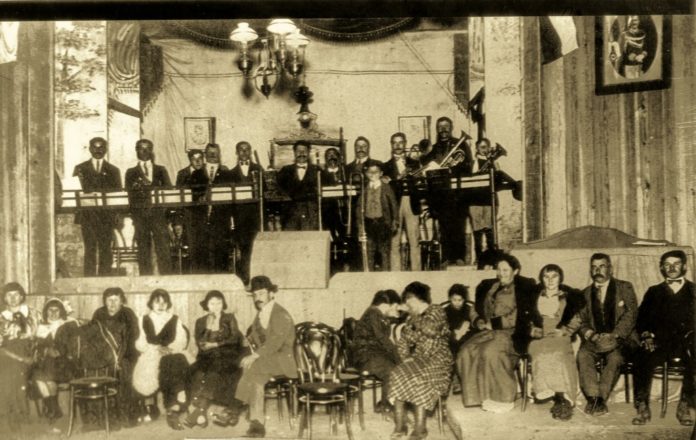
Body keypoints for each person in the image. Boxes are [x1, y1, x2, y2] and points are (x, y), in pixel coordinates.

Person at [456, 253, 537, 413]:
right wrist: (478, 320)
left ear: (515, 271)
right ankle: (479, 397)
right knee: (465, 352)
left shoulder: (523, 288)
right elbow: (474, 308)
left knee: (490, 352)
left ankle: (503, 399)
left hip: (511, 333)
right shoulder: (490, 286)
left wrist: (494, 323)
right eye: (499, 270)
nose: (501, 273)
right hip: (488, 332)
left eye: (505, 270)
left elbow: (520, 315)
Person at [632, 250, 695, 426]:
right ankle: (642, 406)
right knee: (641, 354)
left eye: (676, 264)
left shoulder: (694, 290)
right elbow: (641, 319)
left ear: (684, 266)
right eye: (667, 265)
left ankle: (684, 405)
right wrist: (646, 335)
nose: (672, 268)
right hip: (658, 343)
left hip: (687, 342)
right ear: (661, 268)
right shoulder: (653, 292)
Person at [576, 253, 638, 416]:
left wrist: (615, 335)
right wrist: (591, 335)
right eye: (594, 267)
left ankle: (600, 399)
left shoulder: (625, 287)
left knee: (615, 357)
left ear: (610, 269)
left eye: (602, 266)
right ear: (590, 270)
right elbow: (581, 321)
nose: (598, 270)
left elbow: (631, 314)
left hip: (621, 339)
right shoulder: (584, 294)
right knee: (583, 354)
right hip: (595, 340)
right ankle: (593, 398)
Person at [389, 282, 452, 440]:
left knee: (420, 378)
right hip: (419, 359)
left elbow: (431, 330)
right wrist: (405, 358)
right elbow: (403, 342)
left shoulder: (436, 311)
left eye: (408, 300)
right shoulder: (412, 318)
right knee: (397, 373)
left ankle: (420, 428)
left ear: (416, 299)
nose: (406, 304)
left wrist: (414, 317)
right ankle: (400, 424)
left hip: (439, 359)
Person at [235, 276, 296, 438]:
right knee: (249, 368)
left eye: (261, 293)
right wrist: (246, 341)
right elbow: (256, 335)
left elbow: (275, 342)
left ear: (271, 293)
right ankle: (253, 419)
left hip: (283, 360)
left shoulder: (280, 313)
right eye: (255, 295)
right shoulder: (261, 313)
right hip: (267, 360)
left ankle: (239, 410)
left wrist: (254, 355)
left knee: (253, 367)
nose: (258, 298)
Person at [524, 264, 585, 421]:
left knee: (559, 354)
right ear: (541, 279)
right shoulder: (533, 296)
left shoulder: (569, 296)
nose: (550, 280)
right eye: (546, 277)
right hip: (540, 335)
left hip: (559, 333)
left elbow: (577, 318)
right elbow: (524, 319)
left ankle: (562, 396)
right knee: (540, 353)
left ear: (560, 278)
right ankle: (554, 395)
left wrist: (565, 330)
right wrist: (533, 330)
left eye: (554, 276)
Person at [186, 290, 246, 428]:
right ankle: (200, 412)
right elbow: (201, 344)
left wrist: (215, 344)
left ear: (223, 304)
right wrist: (209, 327)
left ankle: (200, 411)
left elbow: (234, 338)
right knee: (193, 370)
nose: (216, 306)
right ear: (207, 306)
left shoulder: (229, 318)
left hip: (227, 355)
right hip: (207, 356)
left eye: (219, 303)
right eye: (212, 303)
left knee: (215, 369)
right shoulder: (200, 321)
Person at [133, 289, 192, 430]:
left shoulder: (174, 319)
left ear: (168, 304)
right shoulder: (143, 319)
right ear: (151, 303)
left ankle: (172, 407)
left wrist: (169, 348)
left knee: (174, 360)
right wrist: (156, 348)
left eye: (164, 302)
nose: (160, 305)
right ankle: (176, 400)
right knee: (168, 364)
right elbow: (139, 343)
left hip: (171, 353)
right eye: (157, 302)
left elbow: (182, 340)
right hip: (150, 355)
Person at [421, 117, 473, 267]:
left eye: (446, 126)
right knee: (443, 226)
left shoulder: (460, 144)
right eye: (440, 127)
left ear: (451, 128)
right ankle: (446, 257)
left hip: (457, 192)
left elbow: (468, 165)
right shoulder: (434, 148)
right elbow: (427, 168)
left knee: (459, 225)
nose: (443, 129)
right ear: (437, 129)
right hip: (440, 193)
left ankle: (459, 257)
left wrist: (452, 168)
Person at [73, 137, 122, 276]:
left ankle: (104, 279)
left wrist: (117, 215)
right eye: (95, 147)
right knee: (89, 248)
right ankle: (89, 279)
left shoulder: (113, 170)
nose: (98, 150)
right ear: (90, 149)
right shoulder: (80, 168)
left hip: (106, 217)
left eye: (101, 147)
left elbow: (117, 195)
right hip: (87, 216)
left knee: (106, 248)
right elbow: (75, 191)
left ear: (105, 149)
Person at [91, 287, 141, 426]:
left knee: (124, 372)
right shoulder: (99, 313)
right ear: (104, 301)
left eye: (116, 300)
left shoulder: (128, 314)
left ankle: (125, 415)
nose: (112, 304)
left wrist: (118, 357)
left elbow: (133, 337)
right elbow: (93, 337)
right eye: (109, 300)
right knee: (98, 371)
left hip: (126, 354)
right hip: (103, 355)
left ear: (122, 301)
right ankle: (105, 416)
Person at [124, 139, 173, 275]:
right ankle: (145, 279)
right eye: (141, 148)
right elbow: (129, 197)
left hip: (158, 215)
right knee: (143, 250)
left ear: (152, 151)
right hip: (140, 216)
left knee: (163, 249)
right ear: (136, 150)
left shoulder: (161, 170)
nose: (145, 151)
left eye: (148, 148)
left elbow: (168, 192)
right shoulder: (130, 172)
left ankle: (167, 278)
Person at [352, 290, 402, 413]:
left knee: (398, 368)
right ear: (386, 305)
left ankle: (385, 403)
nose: (397, 310)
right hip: (365, 356)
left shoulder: (378, 315)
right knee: (392, 371)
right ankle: (386, 406)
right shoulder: (373, 313)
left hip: (372, 354)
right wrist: (398, 357)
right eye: (395, 306)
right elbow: (382, 339)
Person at [31, 298, 80, 423]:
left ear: (61, 311)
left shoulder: (69, 325)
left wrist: (61, 352)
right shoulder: (41, 327)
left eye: (56, 310)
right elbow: (36, 347)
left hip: (65, 364)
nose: (53, 313)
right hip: (46, 364)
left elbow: (75, 345)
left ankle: (52, 409)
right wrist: (46, 350)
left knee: (46, 375)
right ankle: (54, 408)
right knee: (40, 378)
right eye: (50, 310)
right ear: (45, 312)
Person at [0, 282, 40, 432]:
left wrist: (32, 356)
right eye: (9, 295)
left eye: (16, 295)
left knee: (9, 373)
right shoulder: (1, 318)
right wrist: (21, 359)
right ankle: (16, 417)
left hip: (30, 354)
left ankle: (13, 417)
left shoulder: (33, 314)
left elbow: (41, 338)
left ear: (22, 296)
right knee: (9, 372)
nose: (12, 298)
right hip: (9, 355)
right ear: (4, 298)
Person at [382, 132, 421, 271]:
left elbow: (420, 183)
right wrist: (397, 177)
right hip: (394, 204)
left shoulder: (415, 163)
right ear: (391, 145)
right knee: (394, 242)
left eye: (401, 142)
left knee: (414, 241)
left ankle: (417, 273)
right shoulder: (385, 166)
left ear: (405, 144)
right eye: (395, 143)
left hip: (412, 202)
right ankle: (396, 274)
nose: (398, 145)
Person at [228, 141, 264, 284]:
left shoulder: (259, 169)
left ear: (250, 151)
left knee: (257, 246)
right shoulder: (230, 173)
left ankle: (257, 279)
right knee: (243, 247)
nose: (244, 152)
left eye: (247, 149)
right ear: (236, 153)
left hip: (256, 216)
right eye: (241, 150)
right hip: (239, 218)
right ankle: (245, 279)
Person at [356, 162, 398, 271]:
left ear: (381, 173)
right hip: (369, 223)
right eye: (370, 172)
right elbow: (359, 206)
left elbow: (394, 204)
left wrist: (395, 221)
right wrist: (360, 224)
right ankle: (370, 275)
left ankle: (386, 274)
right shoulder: (364, 189)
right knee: (369, 250)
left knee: (384, 250)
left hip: (383, 222)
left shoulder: (386, 188)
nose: (373, 174)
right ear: (366, 174)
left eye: (376, 172)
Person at [175, 149, 208, 273]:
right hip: (188, 216)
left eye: (200, 158)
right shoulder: (182, 174)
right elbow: (178, 198)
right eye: (194, 159)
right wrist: (178, 221)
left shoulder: (207, 172)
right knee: (191, 248)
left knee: (204, 248)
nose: (198, 161)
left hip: (204, 215)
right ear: (190, 160)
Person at [202, 143, 233, 273]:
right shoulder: (198, 172)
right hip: (201, 218)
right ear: (205, 155)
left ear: (219, 154)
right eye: (210, 152)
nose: (213, 155)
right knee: (203, 252)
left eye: (215, 153)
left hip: (221, 219)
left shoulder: (227, 172)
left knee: (221, 251)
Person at [276, 140, 320, 231]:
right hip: (290, 213)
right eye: (298, 151)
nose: (301, 154)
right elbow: (277, 189)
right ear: (294, 153)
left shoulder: (317, 170)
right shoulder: (285, 170)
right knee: (290, 238)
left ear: (309, 153)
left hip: (311, 213)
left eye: (304, 151)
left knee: (311, 237)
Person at [469, 138, 499, 266]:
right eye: (481, 147)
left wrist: (493, 164)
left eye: (486, 147)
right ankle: (479, 258)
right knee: (477, 231)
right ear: (476, 149)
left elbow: (498, 177)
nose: (484, 149)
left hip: (489, 199)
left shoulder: (492, 162)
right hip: (475, 200)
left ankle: (492, 258)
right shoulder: (473, 162)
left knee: (489, 229)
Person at [442, 284, 476, 356]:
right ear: (450, 299)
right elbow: (444, 328)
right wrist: (454, 332)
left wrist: (466, 329)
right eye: (454, 300)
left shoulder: (469, 310)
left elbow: (474, 325)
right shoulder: (445, 311)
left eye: (460, 300)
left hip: (467, 340)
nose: (457, 303)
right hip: (451, 341)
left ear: (464, 300)